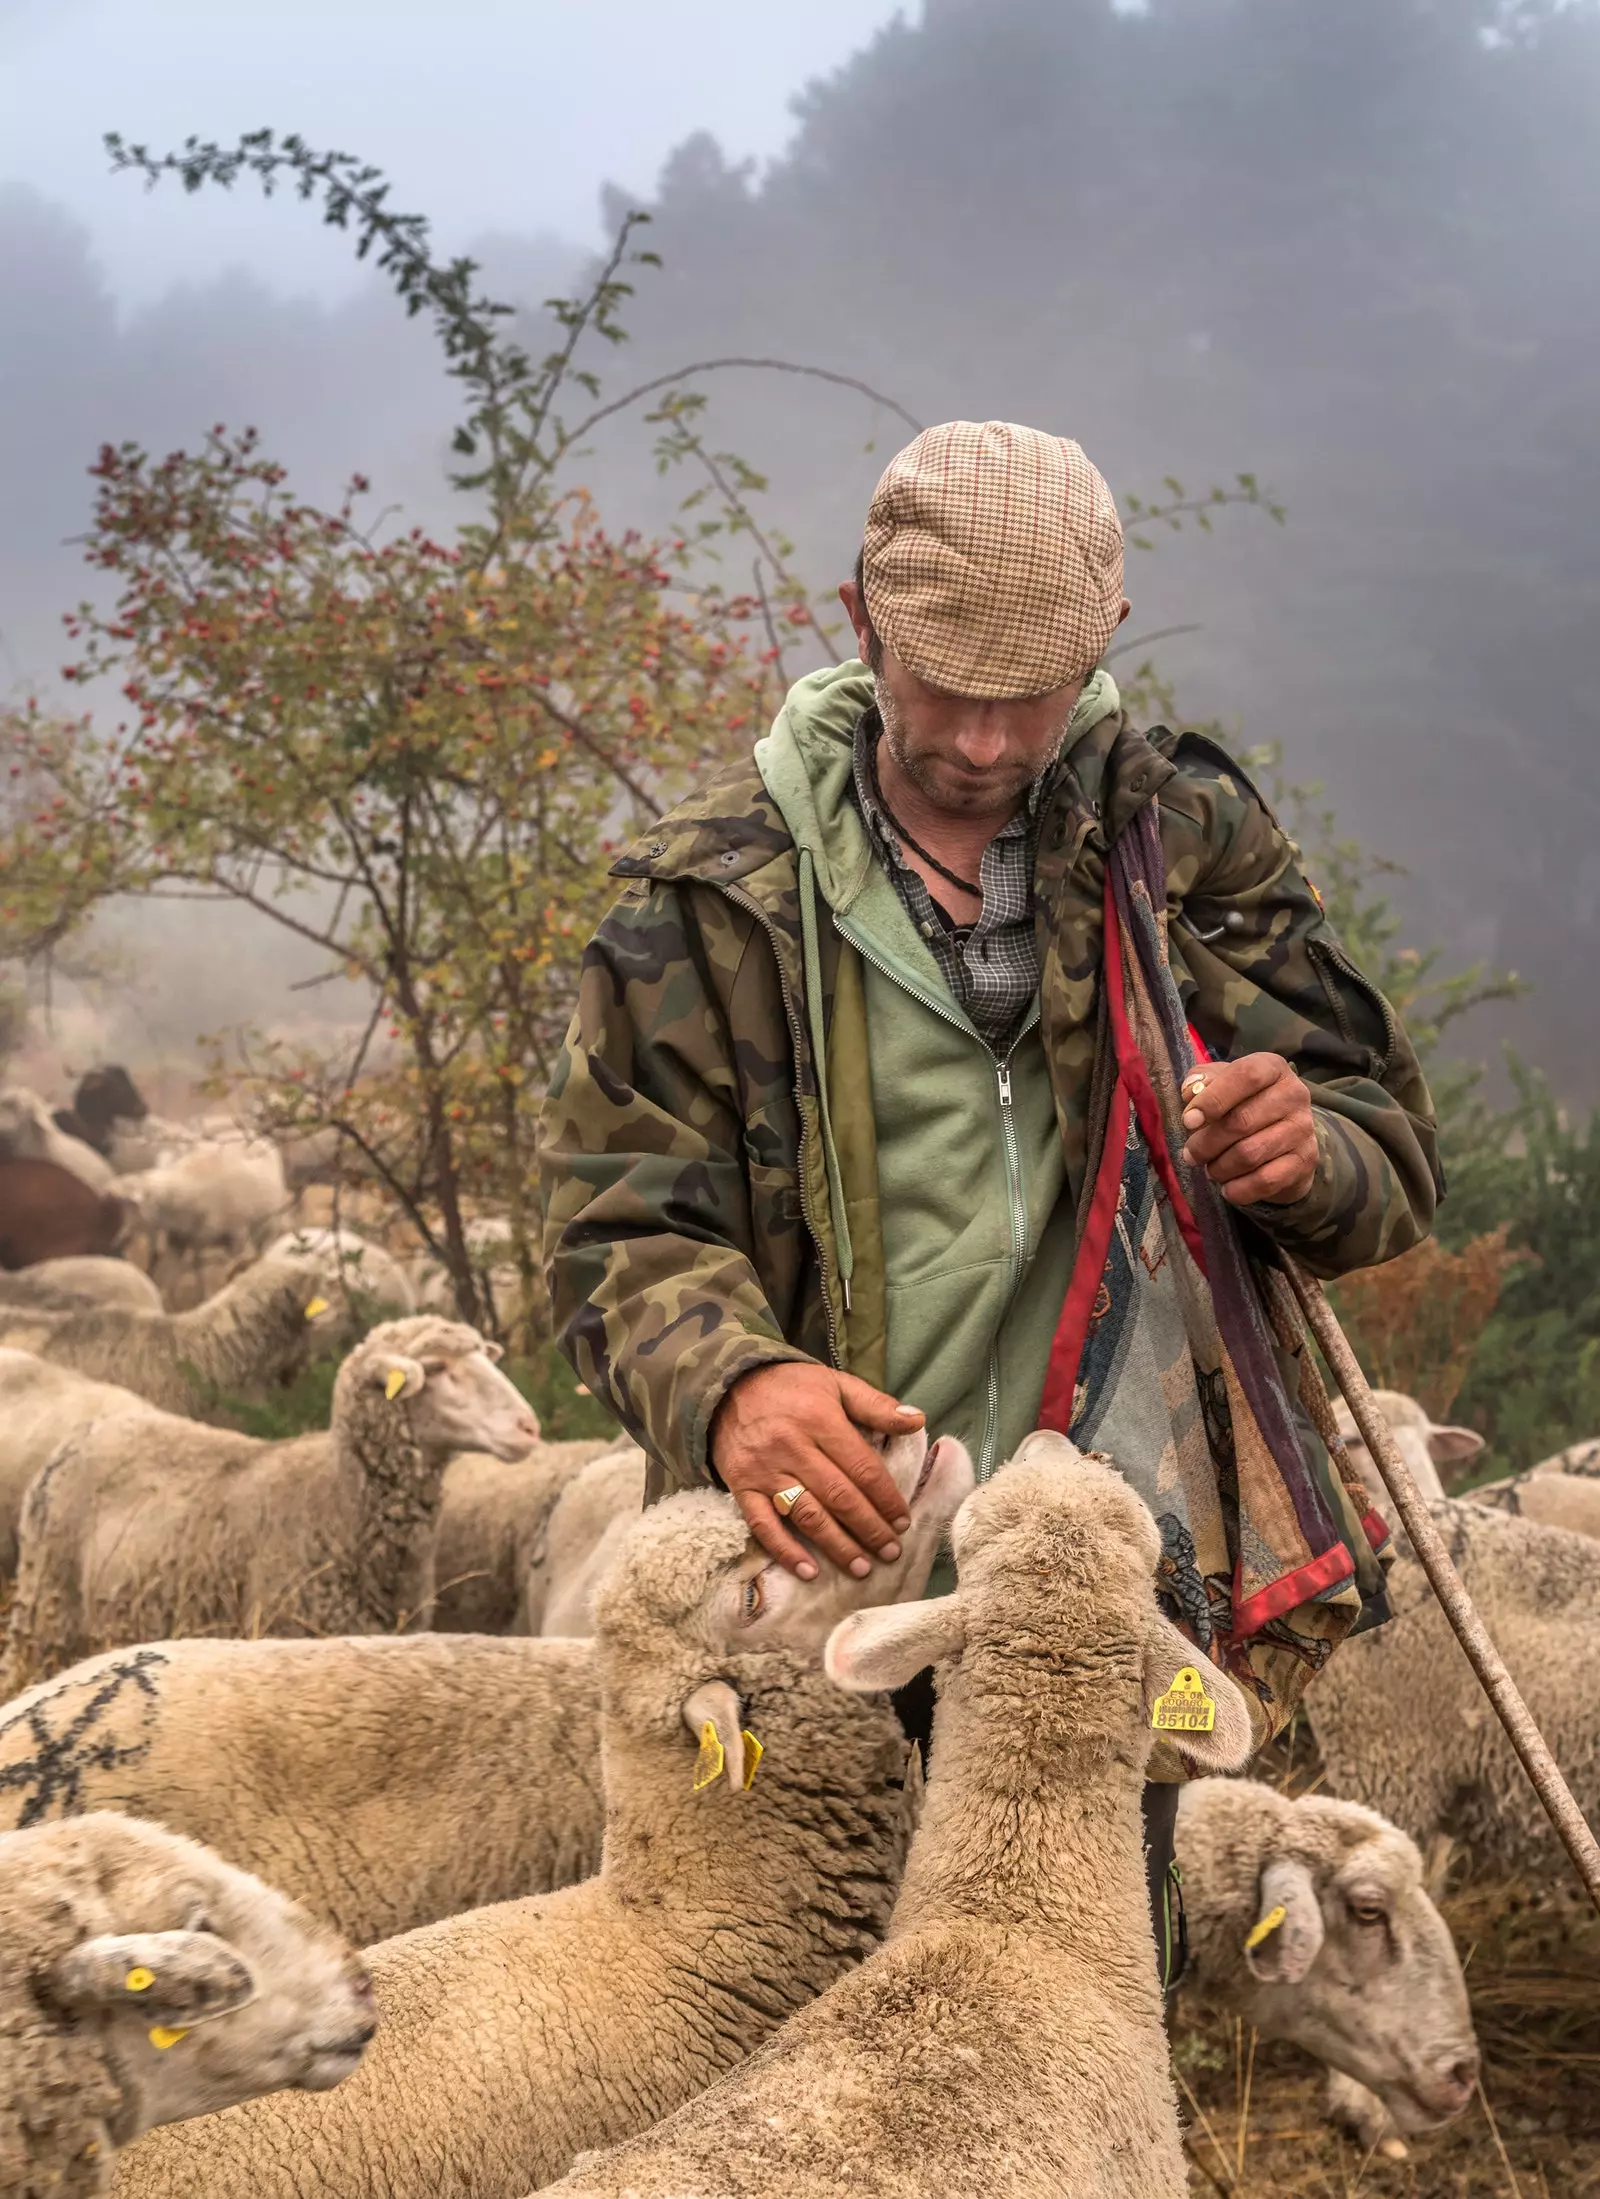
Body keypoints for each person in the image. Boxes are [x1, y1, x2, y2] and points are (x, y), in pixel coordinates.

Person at [540, 419, 1440, 1992]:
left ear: (1105, 635)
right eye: (940, 681)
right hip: (822, 1562)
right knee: (766, 2031)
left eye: (1026, 691)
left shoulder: (1178, 845)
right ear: (860, 618)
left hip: (1086, 1598)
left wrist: (1311, 1154)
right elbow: (614, 1225)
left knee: (1062, 2041)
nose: (975, 735)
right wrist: (733, 1384)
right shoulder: (713, 898)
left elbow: (1385, 1146)